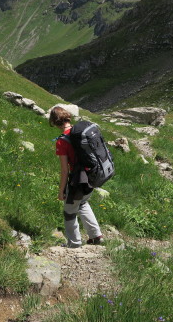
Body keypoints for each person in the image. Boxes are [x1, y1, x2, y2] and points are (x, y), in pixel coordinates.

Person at [49, 106, 103, 248]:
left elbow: (64, 170)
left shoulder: (62, 141)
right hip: (92, 175)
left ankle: (74, 243)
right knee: (83, 203)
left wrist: (61, 190)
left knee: (69, 211)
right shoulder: (81, 133)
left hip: (78, 180)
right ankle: (96, 236)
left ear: (54, 122)